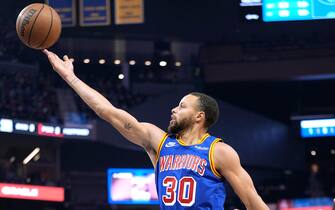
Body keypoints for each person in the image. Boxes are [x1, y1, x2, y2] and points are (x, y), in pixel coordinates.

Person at [43, 49, 269, 210]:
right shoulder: (159, 142)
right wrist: (70, 77)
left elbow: (253, 202)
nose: (173, 109)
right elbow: (108, 112)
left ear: (199, 116)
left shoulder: (219, 152)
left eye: (181, 107)